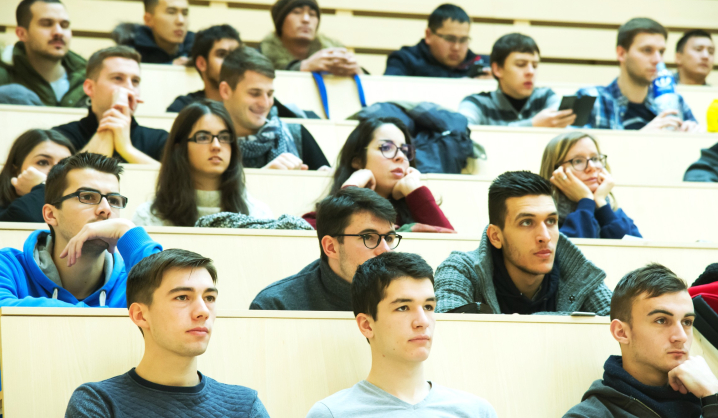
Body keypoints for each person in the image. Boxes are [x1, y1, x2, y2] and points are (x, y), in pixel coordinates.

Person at [65, 249, 270, 417]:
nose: (203, 311)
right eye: (182, 297)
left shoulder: (245, 406)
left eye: (209, 298)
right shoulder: (98, 402)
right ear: (140, 315)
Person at [306, 252, 498, 417]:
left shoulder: (476, 412)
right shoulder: (332, 414)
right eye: (403, 307)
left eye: (428, 307)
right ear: (366, 325)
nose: (422, 321)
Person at [434, 171, 611, 315]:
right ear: (496, 237)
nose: (545, 237)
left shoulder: (580, 275)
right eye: (527, 222)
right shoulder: (461, 270)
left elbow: (620, 328)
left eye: (550, 221)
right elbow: (450, 331)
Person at [0, 152, 162, 307]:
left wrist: (127, 230)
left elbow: (169, 302)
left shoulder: (132, 280)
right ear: (51, 214)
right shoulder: (9, 266)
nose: (106, 209)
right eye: (87, 197)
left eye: (113, 200)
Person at [563, 264, 718, 418]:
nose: (681, 336)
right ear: (621, 332)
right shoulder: (587, 416)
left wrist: (712, 395)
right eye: (661, 320)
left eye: (687, 322)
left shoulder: (706, 395)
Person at [250, 187, 396, 310]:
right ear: (331, 247)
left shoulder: (410, 296)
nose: (385, 250)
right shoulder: (276, 306)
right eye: (368, 237)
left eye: (389, 238)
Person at [133, 100, 273, 227]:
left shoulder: (258, 216)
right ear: (179, 147)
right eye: (203, 137)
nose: (216, 145)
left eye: (224, 137)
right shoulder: (149, 219)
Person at [302, 117, 454, 231]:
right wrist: (352, 189)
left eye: (404, 150)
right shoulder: (316, 221)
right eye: (386, 147)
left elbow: (451, 250)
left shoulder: (417, 215)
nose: (400, 156)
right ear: (358, 161)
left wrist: (414, 190)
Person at [576, 18, 699, 132]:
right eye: (647, 50)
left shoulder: (675, 102)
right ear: (621, 53)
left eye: (661, 52)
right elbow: (573, 154)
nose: (657, 60)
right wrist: (640, 139)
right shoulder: (588, 98)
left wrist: (692, 135)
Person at [219, 47, 330, 170]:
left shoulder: (296, 133)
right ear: (225, 91)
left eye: (270, 94)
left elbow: (333, 185)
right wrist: (267, 178)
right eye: (255, 93)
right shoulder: (207, 141)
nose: (265, 103)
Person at [53, 46, 168, 164]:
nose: (129, 88)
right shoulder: (61, 136)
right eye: (118, 78)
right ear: (90, 87)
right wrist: (108, 127)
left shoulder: (160, 140)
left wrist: (126, 149)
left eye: (135, 81)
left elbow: (173, 182)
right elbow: (63, 180)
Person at [539, 131, 641, 239]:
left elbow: (638, 252)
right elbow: (569, 253)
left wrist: (601, 204)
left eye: (595, 159)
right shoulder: (543, 218)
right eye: (578, 161)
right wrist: (586, 201)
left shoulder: (615, 214)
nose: (591, 167)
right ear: (557, 171)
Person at [459, 33, 574, 127]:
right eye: (520, 64)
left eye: (534, 65)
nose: (531, 72)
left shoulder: (545, 96)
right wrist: (532, 125)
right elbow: (461, 135)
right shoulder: (476, 103)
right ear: (497, 69)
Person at [0, 0, 87, 107]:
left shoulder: (92, 78)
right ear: (22, 34)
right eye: (46, 24)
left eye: (64, 25)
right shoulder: (4, 78)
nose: (58, 32)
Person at [384, 4, 490, 79]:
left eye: (463, 40)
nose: (456, 47)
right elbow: (387, 94)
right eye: (450, 39)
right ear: (428, 35)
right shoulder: (404, 61)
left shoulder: (484, 65)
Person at [259, 0, 362, 76]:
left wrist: (358, 72)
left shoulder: (334, 51)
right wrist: (302, 68)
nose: (306, 19)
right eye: (297, 12)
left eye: (312, 14)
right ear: (280, 22)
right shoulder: (260, 57)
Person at [0, 129, 74, 222]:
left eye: (64, 164)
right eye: (43, 162)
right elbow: (23, 215)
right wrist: (42, 185)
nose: (56, 171)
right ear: (16, 171)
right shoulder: (11, 211)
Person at [166, 25, 242, 112]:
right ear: (202, 63)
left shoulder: (248, 105)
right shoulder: (183, 108)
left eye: (236, 54)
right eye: (222, 54)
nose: (231, 61)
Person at [112, 0, 194, 65]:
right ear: (148, 19)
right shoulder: (129, 55)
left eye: (185, 13)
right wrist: (171, 67)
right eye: (171, 12)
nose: (181, 20)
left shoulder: (197, 50)